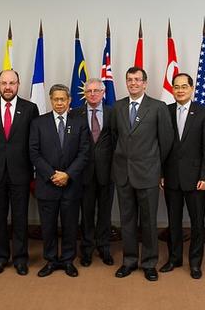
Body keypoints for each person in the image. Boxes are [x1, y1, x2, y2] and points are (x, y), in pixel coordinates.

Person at [110, 66, 173, 281]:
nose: (133, 83)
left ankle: (148, 263)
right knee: (127, 220)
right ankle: (129, 261)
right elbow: (113, 137)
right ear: (126, 82)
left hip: (148, 174)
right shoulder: (117, 107)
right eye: (130, 80)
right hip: (123, 173)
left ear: (145, 83)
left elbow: (166, 142)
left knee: (148, 221)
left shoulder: (157, 107)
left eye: (138, 80)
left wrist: (157, 168)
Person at [0, 69, 39, 276]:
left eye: (12, 83)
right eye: (4, 83)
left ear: (18, 84)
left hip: (20, 172)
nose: (8, 87)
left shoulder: (30, 108)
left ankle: (21, 258)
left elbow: (34, 142)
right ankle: (1, 257)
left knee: (20, 217)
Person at [29, 84, 89, 277]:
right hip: (47, 184)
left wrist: (68, 174)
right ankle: (51, 260)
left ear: (70, 100)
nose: (60, 102)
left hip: (71, 185)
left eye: (63, 99)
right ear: (50, 100)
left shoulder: (79, 122)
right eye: (56, 99)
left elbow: (84, 153)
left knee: (71, 225)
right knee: (48, 226)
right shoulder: (38, 123)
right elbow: (34, 153)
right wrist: (52, 174)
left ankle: (68, 260)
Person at [160, 73, 205, 279]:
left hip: (196, 180)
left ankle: (195, 262)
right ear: (172, 89)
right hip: (172, 177)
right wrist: (162, 174)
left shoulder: (203, 112)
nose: (180, 90)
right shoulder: (166, 111)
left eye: (184, 86)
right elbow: (162, 147)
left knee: (197, 223)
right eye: (176, 86)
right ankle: (174, 259)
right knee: (173, 222)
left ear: (192, 89)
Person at [70, 78, 115, 267]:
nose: (93, 94)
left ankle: (104, 248)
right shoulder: (75, 114)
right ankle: (87, 250)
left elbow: (118, 141)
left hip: (108, 172)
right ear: (84, 94)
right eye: (89, 91)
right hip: (83, 173)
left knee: (105, 213)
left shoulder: (114, 113)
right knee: (86, 213)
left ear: (104, 93)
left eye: (97, 91)